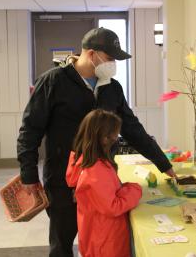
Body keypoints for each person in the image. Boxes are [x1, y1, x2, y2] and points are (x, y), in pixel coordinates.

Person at [17, 27, 176, 257]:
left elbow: (132, 128)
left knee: (98, 241)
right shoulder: (53, 81)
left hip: (102, 183)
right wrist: (28, 174)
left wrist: (163, 163)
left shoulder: (112, 87)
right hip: (63, 180)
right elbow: (30, 130)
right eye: (110, 58)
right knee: (61, 243)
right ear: (92, 54)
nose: (113, 64)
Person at [66, 109, 142, 257]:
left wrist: (124, 189)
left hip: (96, 237)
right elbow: (113, 207)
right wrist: (135, 189)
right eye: (115, 133)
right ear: (105, 138)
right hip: (106, 242)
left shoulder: (85, 162)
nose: (117, 137)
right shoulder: (96, 170)